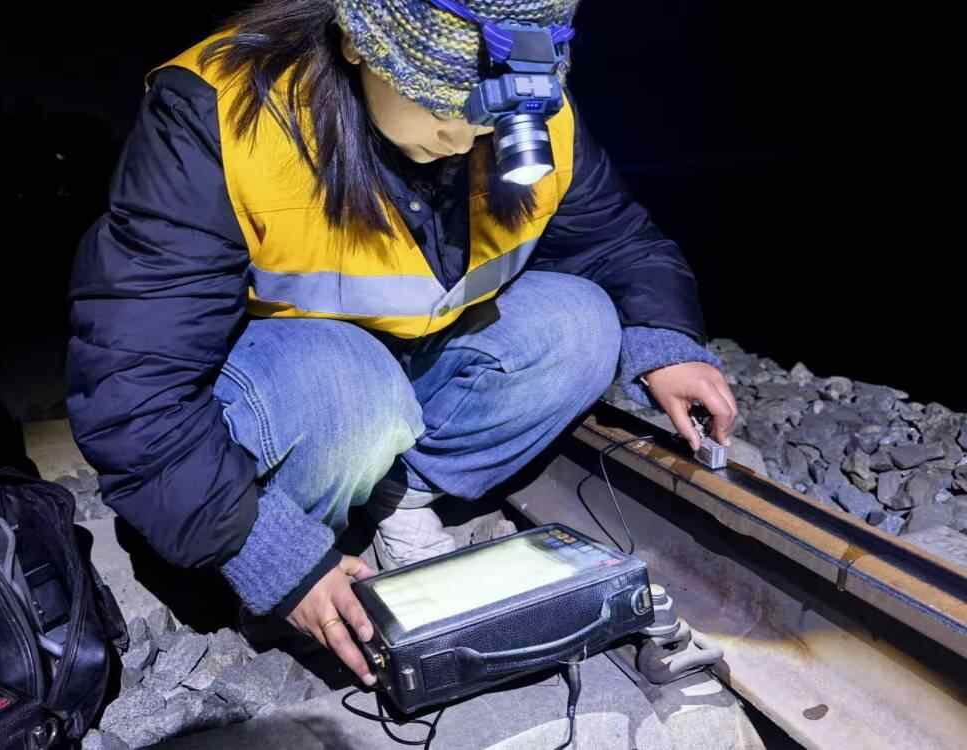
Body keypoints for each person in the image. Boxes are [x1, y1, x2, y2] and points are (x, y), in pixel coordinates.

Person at [66, 0, 738, 689]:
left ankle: (399, 493)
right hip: (302, 386)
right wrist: (270, 558)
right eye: (442, 103)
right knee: (350, 386)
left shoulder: (535, 115)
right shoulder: (224, 113)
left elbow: (616, 241)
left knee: (582, 324)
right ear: (359, 44)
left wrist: (669, 344)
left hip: (409, 360)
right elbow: (132, 386)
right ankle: (284, 546)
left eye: (490, 114)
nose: (465, 134)